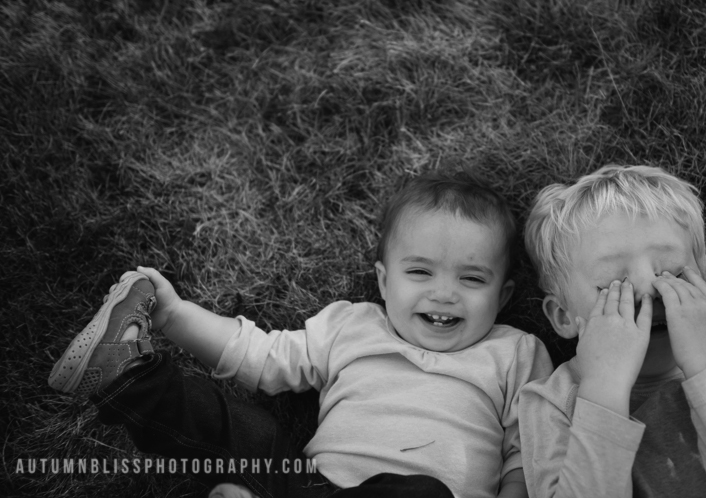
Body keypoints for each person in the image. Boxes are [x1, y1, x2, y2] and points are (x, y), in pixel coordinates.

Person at [49, 171, 553, 498]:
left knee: (419, 493)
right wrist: (175, 315)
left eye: (471, 278)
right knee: (246, 432)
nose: (444, 294)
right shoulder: (354, 325)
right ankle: (126, 376)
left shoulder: (513, 352)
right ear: (383, 281)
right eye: (420, 273)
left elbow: (528, 453)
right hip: (309, 486)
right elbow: (262, 357)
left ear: (503, 295)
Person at [519, 164, 706, 498]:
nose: (649, 289)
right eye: (612, 284)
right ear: (563, 316)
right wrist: (603, 389)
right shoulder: (552, 402)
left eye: (672, 274)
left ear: (702, 284)